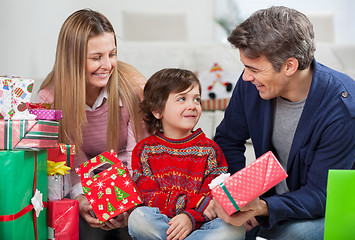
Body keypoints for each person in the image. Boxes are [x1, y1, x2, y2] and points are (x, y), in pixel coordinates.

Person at [213, 6, 355, 240]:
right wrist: (241, 198)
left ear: (289, 66)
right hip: (270, 204)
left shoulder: (342, 106)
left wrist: (262, 208)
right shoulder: (252, 83)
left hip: (331, 207)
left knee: (293, 235)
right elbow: (228, 139)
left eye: (253, 68)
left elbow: (322, 194)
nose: (246, 77)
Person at [37, 9, 147, 240]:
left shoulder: (133, 88)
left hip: (130, 179)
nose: (107, 65)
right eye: (96, 58)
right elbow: (69, 159)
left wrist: (122, 198)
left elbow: (138, 153)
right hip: (83, 184)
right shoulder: (49, 101)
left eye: (112, 54)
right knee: (87, 230)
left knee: (134, 227)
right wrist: (83, 198)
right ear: (72, 59)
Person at [127, 68, 246, 240]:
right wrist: (192, 203)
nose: (192, 105)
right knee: (138, 218)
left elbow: (213, 201)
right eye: (182, 99)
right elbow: (147, 197)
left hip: (201, 225)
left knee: (234, 229)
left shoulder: (210, 150)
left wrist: (190, 218)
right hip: (164, 224)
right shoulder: (144, 150)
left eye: (196, 99)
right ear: (157, 111)